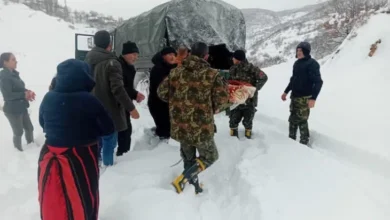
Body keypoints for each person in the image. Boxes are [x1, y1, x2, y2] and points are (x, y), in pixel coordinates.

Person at [38, 59, 115, 220]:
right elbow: (108, 128)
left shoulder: (48, 97)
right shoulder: (89, 100)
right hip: (81, 155)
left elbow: (42, 123)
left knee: (52, 193)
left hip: (49, 152)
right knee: (82, 193)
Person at [157, 42, 230, 194]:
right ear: (206, 56)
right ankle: (184, 178)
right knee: (210, 156)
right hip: (201, 128)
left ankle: (193, 187)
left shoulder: (176, 72)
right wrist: (214, 107)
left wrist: (178, 101)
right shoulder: (212, 74)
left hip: (181, 125)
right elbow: (222, 101)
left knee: (188, 158)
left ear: (190, 54)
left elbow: (161, 93)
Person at [85, 30, 140, 166]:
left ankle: (96, 164)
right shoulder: (111, 62)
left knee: (97, 139)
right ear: (109, 45)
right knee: (110, 140)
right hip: (109, 109)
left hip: (92, 107)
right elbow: (118, 89)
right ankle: (109, 169)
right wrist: (131, 108)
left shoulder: (86, 61)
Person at [281, 42, 323, 145]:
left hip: (305, 98)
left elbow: (318, 82)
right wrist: (286, 91)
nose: (298, 52)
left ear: (306, 52)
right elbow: (293, 80)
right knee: (292, 119)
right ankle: (291, 140)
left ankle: (304, 142)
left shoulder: (312, 64)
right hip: (294, 97)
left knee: (302, 121)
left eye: (301, 51)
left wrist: (313, 98)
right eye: (297, 50)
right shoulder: (297, 63)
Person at [228, 50, 268, 139]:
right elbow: (230, 83)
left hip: (249, 101)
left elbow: (264, 77)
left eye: (234, 58)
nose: (232, 60)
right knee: (233, 121)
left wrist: (253, 89)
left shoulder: (251, 68)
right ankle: (232, 141)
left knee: (248, 122)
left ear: (238, 59)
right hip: (236, 100)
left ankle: (248, 140)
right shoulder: (232, 69)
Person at [0, 52, 35, 151]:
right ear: (5, 62)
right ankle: (18, 152)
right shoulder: (4, 77)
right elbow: (7, 95)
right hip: (12, 109)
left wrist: (28, 92)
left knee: (29, 128)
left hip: (21, 106)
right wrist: (23, 95)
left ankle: (32, 147)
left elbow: (19, 89)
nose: (16, 61)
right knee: (18, 132)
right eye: (13, 59)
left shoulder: (14, 74)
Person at [117, 41, 145, 156]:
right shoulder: (117, 65)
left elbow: (127, 87)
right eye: (133, 54)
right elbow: (119, 87)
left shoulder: (131, 68)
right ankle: (122, 154)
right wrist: (134, 95)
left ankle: (124, 153)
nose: (135, 57)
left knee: (125, 128)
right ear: (125, 54)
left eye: (137, 55)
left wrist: (135, 94)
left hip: (125, 102)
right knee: (123, 129)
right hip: (117, 103)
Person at [148, 47, 177, 142]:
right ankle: (161, 151)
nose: (172, 57)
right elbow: (162, 88)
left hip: (170, 104)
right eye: (169, 54)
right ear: (163, 56)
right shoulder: (157, 69)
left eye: (173, 54)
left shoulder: (176, 67)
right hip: (158, 104)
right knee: (165, 131)